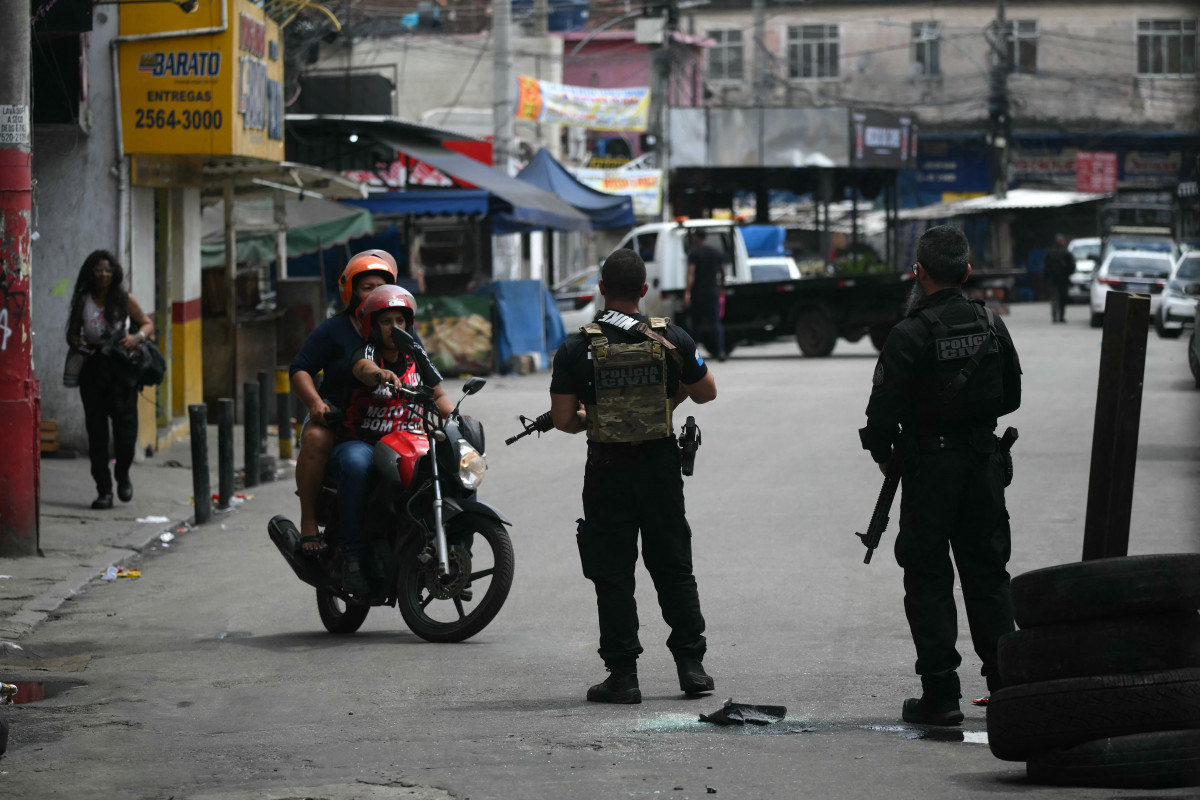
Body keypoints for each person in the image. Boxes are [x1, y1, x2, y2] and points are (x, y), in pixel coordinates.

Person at [859, 225, 1023, 725]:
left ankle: (942, 696)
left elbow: (881, 414)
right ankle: (1007, 688)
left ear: (919, 272)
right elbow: (1011, 396)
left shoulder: (909, 333)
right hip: (982, 464)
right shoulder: (991, 323)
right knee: (988, 574)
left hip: (930, 470)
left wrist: (886, 454)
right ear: (967, 272)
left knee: (928, 577)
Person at [549, 248, 719, 704]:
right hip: (660, 468)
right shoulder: (672, 338)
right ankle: (692, 667)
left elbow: (564, 419)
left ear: (602, 289)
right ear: (644, 290)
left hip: (606, 469)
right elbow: (707, 392)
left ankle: (623, 676)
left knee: (613, 573)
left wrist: (596, 416)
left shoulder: (576, 347)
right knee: (673, 566)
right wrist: (664, 405)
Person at [335, 285, 453, 594]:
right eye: (387, 321)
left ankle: (455, 550)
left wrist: (457, 420)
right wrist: (380, 375)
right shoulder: (368, 352)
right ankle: (353, 556)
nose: (395, 327)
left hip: (409, 441)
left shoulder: (416, 353)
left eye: (400, 320)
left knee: (456, 467)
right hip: (365, 441)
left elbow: (437, 393)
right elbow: (363, 368)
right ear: (374, 325)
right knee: (355, 465)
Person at [289, 251, 398, 554]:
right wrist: (315, 404)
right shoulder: (334, 329)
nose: (374, 293)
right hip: (339, 421)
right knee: (314, 439)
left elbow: (428, 377)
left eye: (381, 286)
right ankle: (310, 522)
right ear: (351, 291)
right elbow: (300, 370)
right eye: (366, 287)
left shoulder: (398, 328)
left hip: (393, 422)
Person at [65, 250, 155, 509]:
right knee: (97, 435)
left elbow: (146, 324)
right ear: (90, 273)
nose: (103, 275)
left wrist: (137, 338)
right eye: (98, 270)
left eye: (108, 270)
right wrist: (82, 346)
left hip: (122, 372)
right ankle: (103, 490)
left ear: (114, 274)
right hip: (93, 372)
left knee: (126, 433)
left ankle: (123, 474)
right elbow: (72, 335)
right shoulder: (84, 301)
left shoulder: (124, 299)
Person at [683, 230, 727, 361]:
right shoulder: (715, 252)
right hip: (713, 292)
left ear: (696, 238)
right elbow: (723, 272)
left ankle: (691, 354)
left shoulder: (694, 253)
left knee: (696, 325)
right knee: (716, 323)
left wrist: (687, 292)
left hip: (698, 293)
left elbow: (691, 274)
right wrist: (722, 286)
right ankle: (721, 352)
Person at [1044, 234, 1076, 323]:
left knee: (1055, 297)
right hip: (1063, 279)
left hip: (1053, 279)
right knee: (1062, 298)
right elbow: (1072, 266)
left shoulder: (1050, 252)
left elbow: (1046, 267)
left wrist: (1046, 277)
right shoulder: (1066, 252)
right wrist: (1068, 273)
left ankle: (1055, 316)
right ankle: (1061, 317)